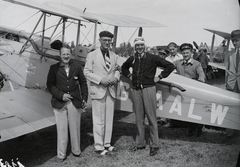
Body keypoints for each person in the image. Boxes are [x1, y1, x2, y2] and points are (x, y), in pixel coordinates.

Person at [121, 37, 174, 156]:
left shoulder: (152, 58)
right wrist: (129, 75)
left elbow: (170, 66)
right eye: (137, 45)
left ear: (144, 46)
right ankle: (140, 143)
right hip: (136, 89)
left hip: (149, 88)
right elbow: (124, 67)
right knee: (139, 117)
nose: (139, 47)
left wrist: (159, 77)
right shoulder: (133, 58)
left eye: (141, 45)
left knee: (151, 116)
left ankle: (154, 144)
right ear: (135, 47)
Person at [47, 45, 88, 161]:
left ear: (71, 55)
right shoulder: (53, 68)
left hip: (74, 102)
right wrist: (61, 95)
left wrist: (84, 98)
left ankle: (76, 151)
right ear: (60, 55)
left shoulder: (77, 67)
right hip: (59, 102)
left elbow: (83, 83)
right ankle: (61, 154)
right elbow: (50, 85)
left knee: (75, 128)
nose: (66, 56)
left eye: (68, 54)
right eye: (63, 54)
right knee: (62, 129)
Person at [84, 31, 120, 155]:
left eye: (109, 40)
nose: (107, 42)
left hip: (110, 91)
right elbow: (87, 72)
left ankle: (107, 143)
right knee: (98, 120)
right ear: (100, 40)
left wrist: (116, 77)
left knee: (109, 119)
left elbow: (117, 69)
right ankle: (99, 146)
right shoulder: (92, 55)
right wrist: (100, 80)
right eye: (104, 40)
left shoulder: (114, 55)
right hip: (98, 91)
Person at [173, 43, 205, 137]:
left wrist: (201, 79)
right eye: (183, 53)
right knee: (186, 110)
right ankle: (191, 128)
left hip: (193, 91)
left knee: (194, 110)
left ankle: (197, 127)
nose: (185, 55)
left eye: (187, 53)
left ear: (191, 53)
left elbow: (201, 74)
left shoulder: (196, 63)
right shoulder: (178, 63)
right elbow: (167, 66)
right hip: (182, 91)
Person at [225, 29, 240, 137]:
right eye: (233, 41)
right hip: (232, 84)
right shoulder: (231, 53)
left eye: (237, 40)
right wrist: (227, 83)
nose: (234, 43)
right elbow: (228, 69)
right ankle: (232, 131)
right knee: (232, 107)